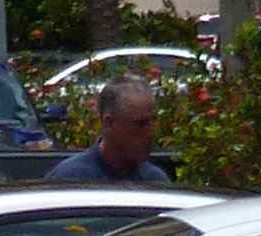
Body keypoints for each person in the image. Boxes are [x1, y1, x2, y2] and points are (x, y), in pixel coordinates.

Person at [44, 68, 174, 185]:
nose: (151, 133)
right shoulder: (72, 181)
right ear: (109, 123)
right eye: (140, 124)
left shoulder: (154, 181)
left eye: (153, 121)